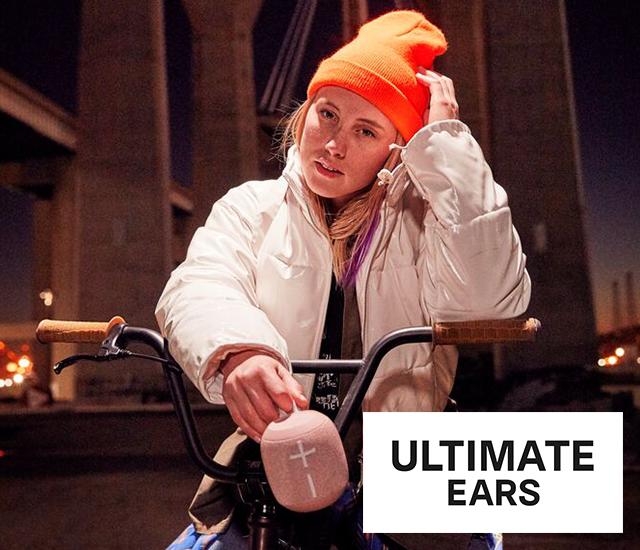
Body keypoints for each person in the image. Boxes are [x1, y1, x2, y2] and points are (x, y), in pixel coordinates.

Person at [156, 9, 530, 550]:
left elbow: (489, 303)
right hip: (281, 457)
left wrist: (446, 148)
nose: (334, 144)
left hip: (408, 464)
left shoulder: (427, 220)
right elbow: (201, 283)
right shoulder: (252, 208)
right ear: (305, 113)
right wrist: (240, 350)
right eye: (327, 114)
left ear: (398, 147)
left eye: (365, 130)